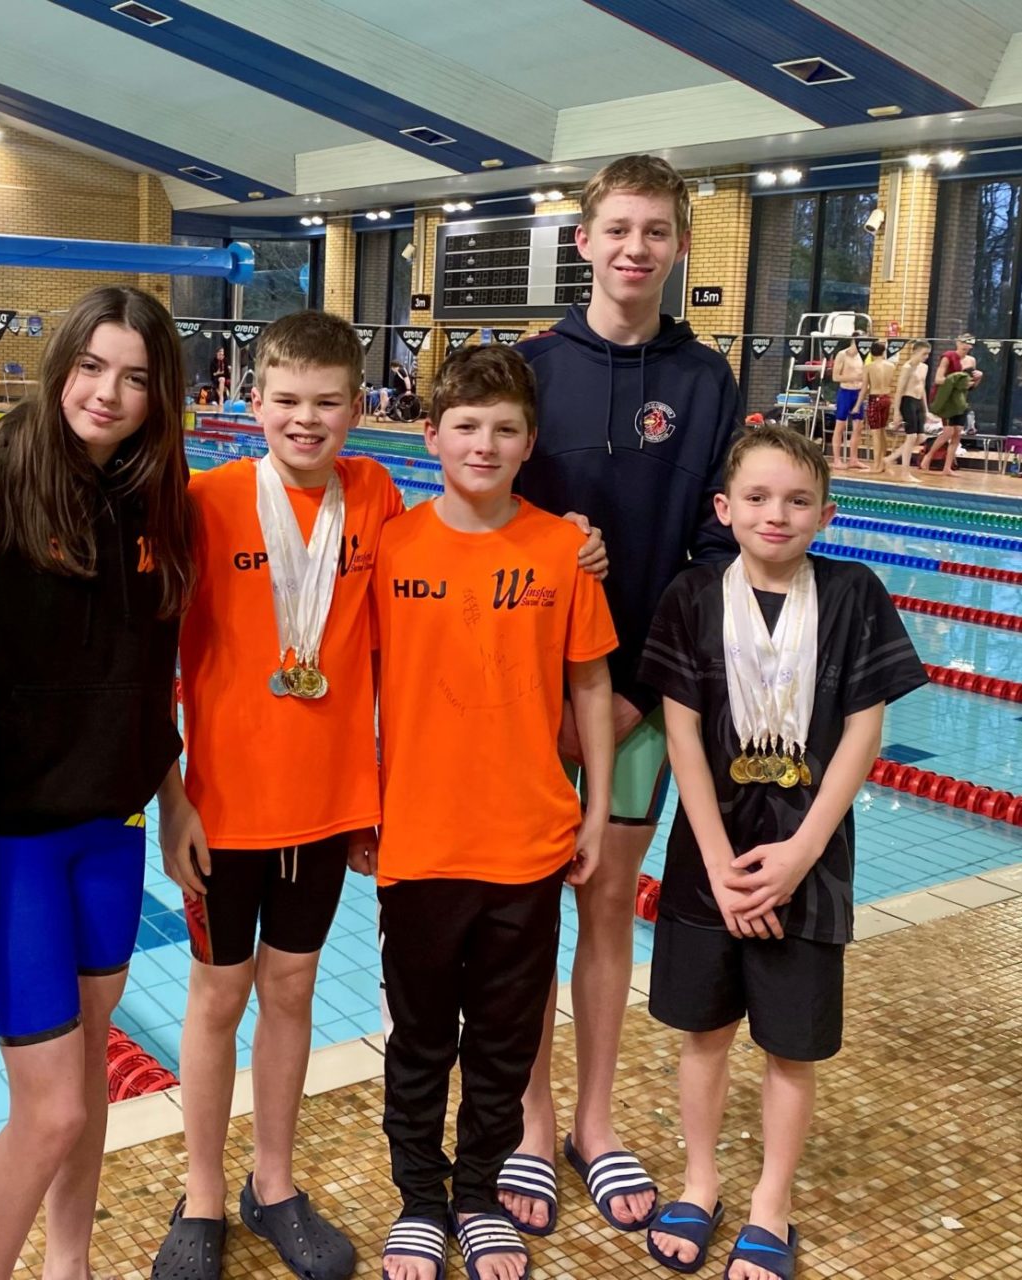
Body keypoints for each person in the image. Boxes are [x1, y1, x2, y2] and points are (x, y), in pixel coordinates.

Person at [0, 285, 194, 1280]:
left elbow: (150, 671)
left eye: (135, 377)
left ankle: (67, 1262)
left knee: (85, 1077)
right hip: (11, 846)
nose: (109, 393)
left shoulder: (152, 497)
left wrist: (173, 799)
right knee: (53, 1110)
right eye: (92, 367)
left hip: (108, 836)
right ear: (60, 364)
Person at [506, 153, 739, 1238]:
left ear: (677, 247)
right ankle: (526, 1118)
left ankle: (593, 1123)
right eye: (617, 229)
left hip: (638, 694)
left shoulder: (703, 381)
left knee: (603, 906)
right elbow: (486, 512)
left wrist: (639, 684)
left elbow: (708, 543)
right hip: (521, 697)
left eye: (655, 231)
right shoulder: (529, 365)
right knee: (518, 918)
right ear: (584, 240)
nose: (634, 248)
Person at [639, 425, 925, 1279]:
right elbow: (681, 734)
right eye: (757, 498)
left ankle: (772, 1203)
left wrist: (801, 851)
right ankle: (699, 1182)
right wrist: (720, 858)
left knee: (791, 1045)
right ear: (723, 509)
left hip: (810, 861)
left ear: (826, 514)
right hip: (707, 861)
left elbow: (864, 731)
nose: (776, 514)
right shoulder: (692, 594)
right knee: (703, 1035)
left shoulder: (852, 593)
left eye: (797, 500)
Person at [152, 310, 400, 1280]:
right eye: (287, 400)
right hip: (224, 809)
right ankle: (202, 1194)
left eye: (327, 402)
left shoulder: (372, 493)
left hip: (329, 805)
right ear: (251, 402)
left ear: (355, 407)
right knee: (218, 993)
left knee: (291, 987)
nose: (306, 420)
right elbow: (144, 665)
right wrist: (168, 797)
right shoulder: (203, 500)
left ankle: (273, 1181)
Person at [372, 345, 616, 1280]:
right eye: (465, 426)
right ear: (429, 435)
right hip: (422, 841)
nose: (484, 443)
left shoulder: (561, 548)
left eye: (504, 429)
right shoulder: (390, 545)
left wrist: (594, 813)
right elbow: (356, 686)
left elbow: (589, 685)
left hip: (528, 839)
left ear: (529, 443)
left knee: (507, 1040)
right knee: (422, 1036)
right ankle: (419, 1203)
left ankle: (477, 1197)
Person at [921, 353, 979, 475]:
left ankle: (947, 468)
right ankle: (928, 456)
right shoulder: (953, 380)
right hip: (948, 408)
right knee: (948, 432)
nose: (969, 383)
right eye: (968, 381)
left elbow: (972, 387)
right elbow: (939, 383)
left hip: (960, 408)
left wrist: (980, 377)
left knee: (957, 435)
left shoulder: (964, 382)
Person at [883, 340, 931, 472]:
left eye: (928, 354)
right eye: (924, 354)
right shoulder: (907, 368)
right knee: (911, 437)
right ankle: (905, 472)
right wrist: (896, 412)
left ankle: (889, 459)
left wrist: (926, 410)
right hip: (907, 401)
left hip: (918, 402)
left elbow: (923, 389)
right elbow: (899, 391)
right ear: (915, 352)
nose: (926, 357)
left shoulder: (924, 367)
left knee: (921, 437)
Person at [854, 341, 895, 474]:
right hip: (887, 399)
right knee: (882, 432)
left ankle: (877, 466)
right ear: (883, 352)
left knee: (876, 434)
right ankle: (884, 464)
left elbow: (865, 387)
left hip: (875, 399)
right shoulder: (891, 366)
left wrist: (857, 405)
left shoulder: (869, 367)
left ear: (871, 353)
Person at [826, 338, 865, 469]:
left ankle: (853, 459)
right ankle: (837, 460)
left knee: (858, 427)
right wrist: (855, 377)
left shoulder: (863, 355)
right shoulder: (842, 355)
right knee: (840, 426)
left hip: (858, 393)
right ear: (853, 341)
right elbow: (835, 377)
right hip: (845, 392)